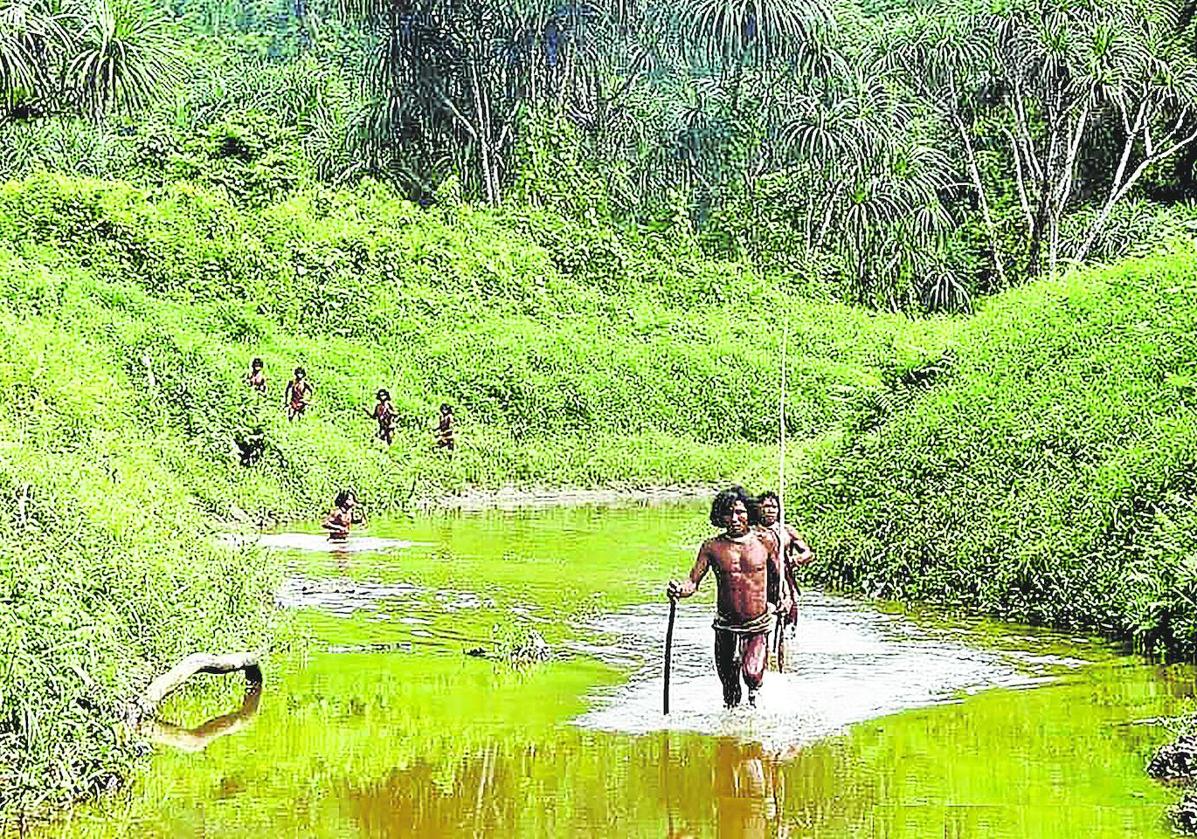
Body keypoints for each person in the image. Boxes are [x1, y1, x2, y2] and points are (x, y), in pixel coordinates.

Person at [667, 487, 788, 708]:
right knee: (730, 692)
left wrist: (785, 598)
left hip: (757, 625)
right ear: (720, 517)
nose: (734, 518)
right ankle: (731, 736)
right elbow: (692, 582)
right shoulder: (712, 547)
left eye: (740, 512)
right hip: (725, 626)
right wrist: (679, 590)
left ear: (749, 514)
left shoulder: (767, 541)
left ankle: (755, 714)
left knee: (752, 674)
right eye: (728, 513)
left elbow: (779, 578)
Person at [757, 491, 814, 629]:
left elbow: (808, 553)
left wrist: (795, 560)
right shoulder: (753, 532)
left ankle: (786, 644)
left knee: (788, 623)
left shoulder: (786, 531)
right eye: (766, 506)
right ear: (758, 509)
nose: (770, 510)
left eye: (774, 507)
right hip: (759, 582)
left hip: (784, 580)